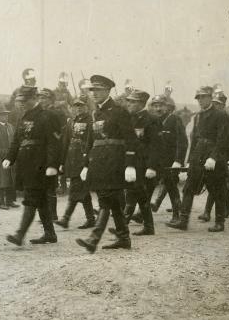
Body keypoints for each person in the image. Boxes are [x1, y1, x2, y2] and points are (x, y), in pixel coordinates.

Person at [75, 75, 137, 253]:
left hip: (115, 161)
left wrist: (130, 164)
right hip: (99, 162)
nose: (94, 94)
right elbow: (90, 140)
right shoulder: (96, 113)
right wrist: (86, 164)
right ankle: (124, 238)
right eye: (92, 90)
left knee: (106, 199)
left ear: (108, 91)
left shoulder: (119, 111)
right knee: (114, 201)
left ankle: (93, 239)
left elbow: (131, 139)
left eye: (98, 90)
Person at [166, 86, 229, 232]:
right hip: (199, 154)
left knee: (217, 189)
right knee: (189, 187)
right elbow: (194, 138)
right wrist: (190, 160)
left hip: (214, 155)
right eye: (198, 98)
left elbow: (223, 139)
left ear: (210, 97)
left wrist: (213, 157)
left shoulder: (220, 115)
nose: (200, 100)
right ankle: (183, 221)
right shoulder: (198, 116)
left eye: (203, 97)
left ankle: (220, 222)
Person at [3, 86, 60, 245]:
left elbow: (53, 143)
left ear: (34, 99)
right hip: (26, 165)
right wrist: (10, 157)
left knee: (31, 197)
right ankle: (50, 234)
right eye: (19, 101)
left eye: (24, 101)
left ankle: (20, 235)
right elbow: (16, 141)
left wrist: (52, 165)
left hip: (40, 165)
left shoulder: (47, 116)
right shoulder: (23, 117)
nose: (21, 104)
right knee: (40, 200)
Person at [121, 90, 160, 236]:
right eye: (128, 101)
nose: (129, 104)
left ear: (141, 103)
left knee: (134, 193)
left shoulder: (151, 119)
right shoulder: (129, 118)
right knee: (138, 194)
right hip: (131, 162)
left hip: (144, 164)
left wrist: (152, 166)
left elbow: (156, 145)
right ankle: (148, 227)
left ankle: (123, 226)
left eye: (132, 101)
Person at [54, 95, 95, 229]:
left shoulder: (90, 121)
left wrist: (88, 161)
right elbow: (65, 143)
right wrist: (62, 161)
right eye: (75, 106)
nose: (78, 108)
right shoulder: (70, 121)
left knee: (75, 188)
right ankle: (91, 219)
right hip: (72, 159)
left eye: (81, 105)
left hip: (83, 159)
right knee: (82, 190)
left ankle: (66, 218)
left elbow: (91, 142)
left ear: (86, 107)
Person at [149, 95, 187, 223]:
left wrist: (178, 160)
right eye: (155, 105)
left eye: (161, 105)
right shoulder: (153, 120)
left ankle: (177, 215)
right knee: (148, 185)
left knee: (171, 187)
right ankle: (141, 213)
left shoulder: (174, 119)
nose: (158, 108)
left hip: (171, 161)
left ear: (167, 107)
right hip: (156, 161)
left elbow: (182, 142)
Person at [198, 91, 229, 221]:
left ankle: (208, 212)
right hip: (214, 154)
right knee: (216, 185)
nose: (215, 106)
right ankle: (228, 208)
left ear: (223, 105)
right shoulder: (212, 117)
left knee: (216, 185)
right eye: (214, 103)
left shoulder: (226, 117)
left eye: (218, 104)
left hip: (222, 155)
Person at [37, 87, 67, 220]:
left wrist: (55, 158)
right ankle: (46, 214)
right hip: (41, 153)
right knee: (42, 185)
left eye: (44, 97)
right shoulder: (41, 112)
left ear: (50, 99)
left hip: (52, 153)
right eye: (40, 97)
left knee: (50, 186)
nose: (41, 100)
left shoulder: (56, 113)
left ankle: (52, 214)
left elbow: (58, 136)